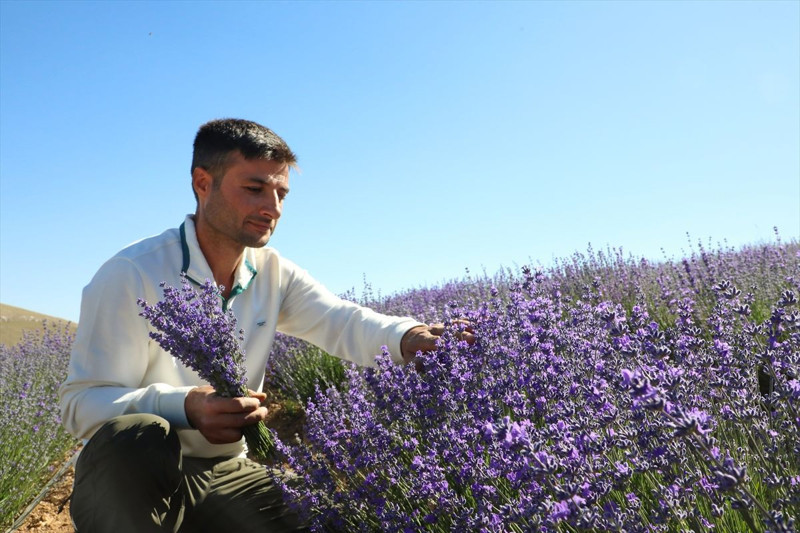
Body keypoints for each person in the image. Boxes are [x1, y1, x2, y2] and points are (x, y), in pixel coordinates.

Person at [59, 118, 472, 532]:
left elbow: (340, 320)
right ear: (203, 183)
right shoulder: (132, 273)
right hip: (135, 478)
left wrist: (410, 336)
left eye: (281, 194)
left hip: (225, 471)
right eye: (254, 189)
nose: (272, 208)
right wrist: (184, 407)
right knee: (138, 432)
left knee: (331, 519)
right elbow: (83, 406)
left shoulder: (272, 271)